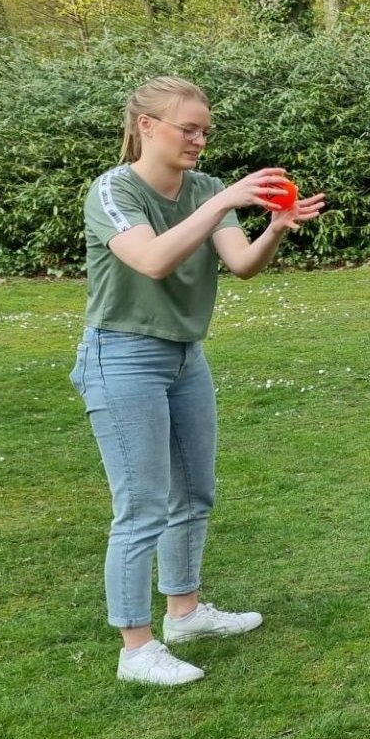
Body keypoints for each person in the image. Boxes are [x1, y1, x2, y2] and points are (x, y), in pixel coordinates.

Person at [73, 76, 324, 685]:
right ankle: (136, 648)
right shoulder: (113, 191)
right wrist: (223, 201)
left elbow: (240, 265)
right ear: (148, 126)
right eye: (189, 128)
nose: (200, 139)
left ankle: (184, 613)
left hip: (186, 357)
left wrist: (274, 228)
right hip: (123, 355)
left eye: (205, 130)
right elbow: (153, 260)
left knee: (194, 491)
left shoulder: (207, 188)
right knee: (141, 506)